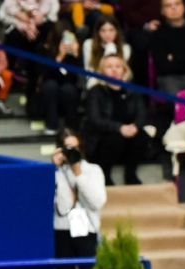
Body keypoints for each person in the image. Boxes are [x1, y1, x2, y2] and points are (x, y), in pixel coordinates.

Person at [52, 128, 107, 269]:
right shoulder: (54, 173)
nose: (72, 153)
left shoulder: (93, 170)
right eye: (67, 148)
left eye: (75, 148)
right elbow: (51, 202)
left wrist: (79, 175)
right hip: (61, 232)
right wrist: (53, 169)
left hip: (85, 232)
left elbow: (97, 202)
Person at [84, 54, 149, 184]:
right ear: (102, 71)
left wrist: (135, 126)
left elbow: (142, 114)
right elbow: (95, 120)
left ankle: (131, 175)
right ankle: (105, 175)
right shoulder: (95, 92)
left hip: (128, 137)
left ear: (124, 70)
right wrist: (119, 128)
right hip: (103, 139)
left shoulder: (133, 90)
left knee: (142, 136)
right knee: (115, 139)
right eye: (109, 67)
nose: (114, 70)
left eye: (118, 66)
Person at [39, 22, 82, 135]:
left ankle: (71, 127)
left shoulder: (77, 52)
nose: (67, 42)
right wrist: (60, 56)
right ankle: (51, 125)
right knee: (50, 85)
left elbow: (78, 78)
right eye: (63, 38)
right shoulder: (46, 50)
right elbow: (47, 76)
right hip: (51, 96)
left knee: (68, 88)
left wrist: (76, 55)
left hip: (70, 94)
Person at [82, 16, 130, 87]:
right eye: (103, 31)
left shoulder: (125, 48)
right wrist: (108, 50)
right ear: (98, 32)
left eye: (111, 30)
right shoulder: (89, 44)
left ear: (117, 31)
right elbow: (89, 72)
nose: (107, 34)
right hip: (96, 81)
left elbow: (121, 73)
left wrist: (111, 48)